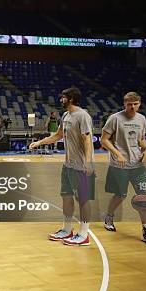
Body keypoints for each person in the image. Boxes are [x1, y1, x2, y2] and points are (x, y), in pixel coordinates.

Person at [29, 87, 95, 246]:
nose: (61, 100)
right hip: (68, 165)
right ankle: (67, 229)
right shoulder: (66, 115)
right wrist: (39, 142)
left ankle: (84, 234)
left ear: (71, 98)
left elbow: (87, 140)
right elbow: (58, 135)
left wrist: (88, 162)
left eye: (63, 97)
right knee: (66, 197)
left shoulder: (82, 115)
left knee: (83, 200)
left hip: (81, 166)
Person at [100, 92, 146, 245]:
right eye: (129, 104)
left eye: (135, 104)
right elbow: (104, 140)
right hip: (119, 165)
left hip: (138, 165)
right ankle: (109, 216)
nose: (132, 107)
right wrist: (117, 153)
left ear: (140, 103)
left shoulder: (142, 119)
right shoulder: (115, 118)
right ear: (124, 104)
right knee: (120, 195)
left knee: (143, 198)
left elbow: (142, 139)